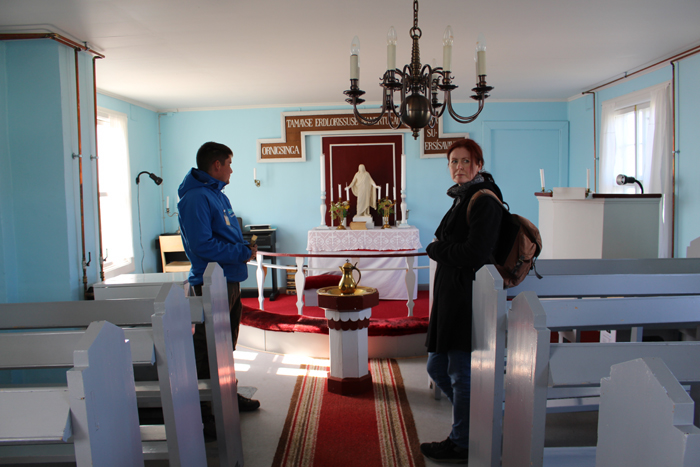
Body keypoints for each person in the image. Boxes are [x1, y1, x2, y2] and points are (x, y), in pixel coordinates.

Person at [421, 139, 503, 464]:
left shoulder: (485, 200)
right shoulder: (462, 197)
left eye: (465, 161)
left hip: (467, 298)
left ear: (478, 164)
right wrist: (440, 247)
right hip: (451, 298)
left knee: (459, 372)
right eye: (453, 161)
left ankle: (462, 442)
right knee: (437, 366)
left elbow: (475, 253)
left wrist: (436, 249)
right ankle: (475, 426)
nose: (459, 167)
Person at [178, 141, 261, 423]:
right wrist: (240, 252)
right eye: (229, 164)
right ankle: (202, 413)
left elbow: (223, 235)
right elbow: (202, 246)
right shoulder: (196, 198)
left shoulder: (217, 195)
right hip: (211, 282)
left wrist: (243, 249)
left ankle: (227, 394)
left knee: (226, 344)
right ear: (217, 165)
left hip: (229, 278)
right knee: (206, 346)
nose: (231, 170)